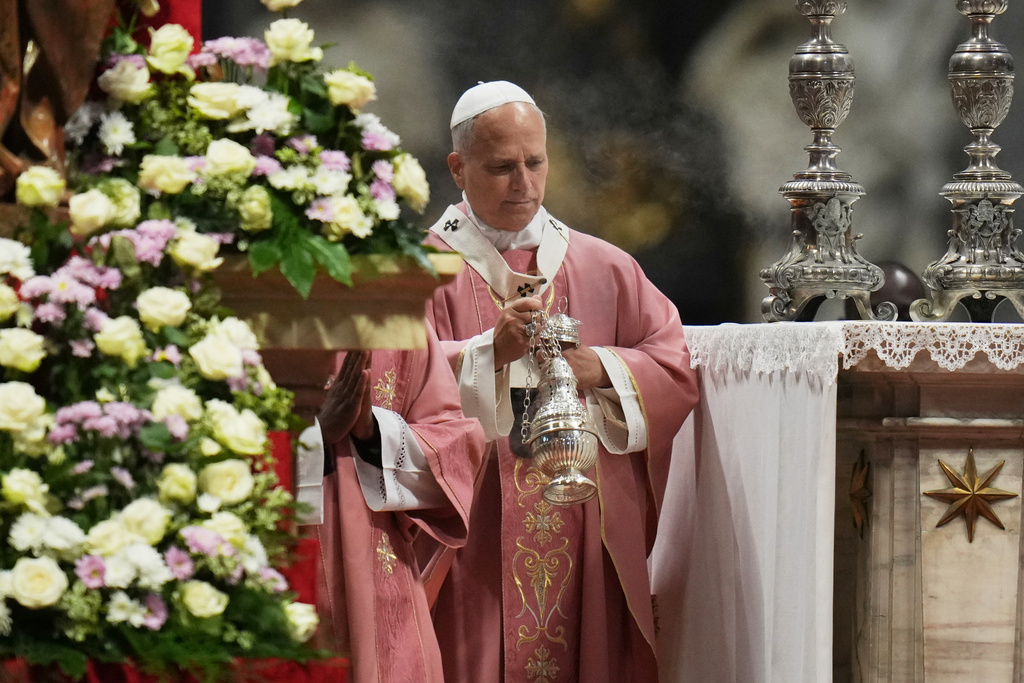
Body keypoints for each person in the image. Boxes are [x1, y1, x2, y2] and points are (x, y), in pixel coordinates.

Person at [422, 80, 700, 682]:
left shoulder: (605, 265)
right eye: (500, 167)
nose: (523, 183)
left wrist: (599, 367)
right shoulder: (419, 273)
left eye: (534, 162)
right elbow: (387, 387)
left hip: (582, 527)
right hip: (471, 536)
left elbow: (674, 367)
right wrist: (485, 353)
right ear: (457, 169)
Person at [296, 329, 486, 683]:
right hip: (282, 563)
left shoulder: (400, 321)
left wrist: (373, 432)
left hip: (381, 572)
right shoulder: (253, 306)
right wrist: (315, 435)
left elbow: (458, 446)